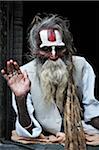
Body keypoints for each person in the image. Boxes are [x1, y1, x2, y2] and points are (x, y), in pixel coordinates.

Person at [1, 13, 99, 147]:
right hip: (45, 142)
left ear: (67, 48)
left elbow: (92, 112)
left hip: (80, 136)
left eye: (58, 48)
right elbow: (27, 130)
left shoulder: (81, 66)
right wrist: (20, 98)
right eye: (46, 49)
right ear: (35, 51)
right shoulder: (24, 74)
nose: (53, 55)